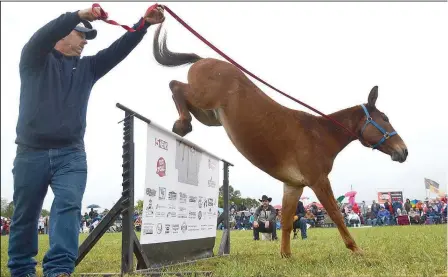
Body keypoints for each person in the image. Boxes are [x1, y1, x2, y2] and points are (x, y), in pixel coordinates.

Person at [7, 5, 165, 277]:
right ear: (63, 35)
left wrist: (144, 24)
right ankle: (21, 270)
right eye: (80, 35)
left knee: (68, 204)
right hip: (30, 152)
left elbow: (117, 51)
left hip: (71, 154)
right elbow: (42, 36)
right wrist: (78, 15)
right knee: (25, 214)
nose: (84, 42)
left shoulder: (88, 68)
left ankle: (58, 271)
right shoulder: (34, 59)